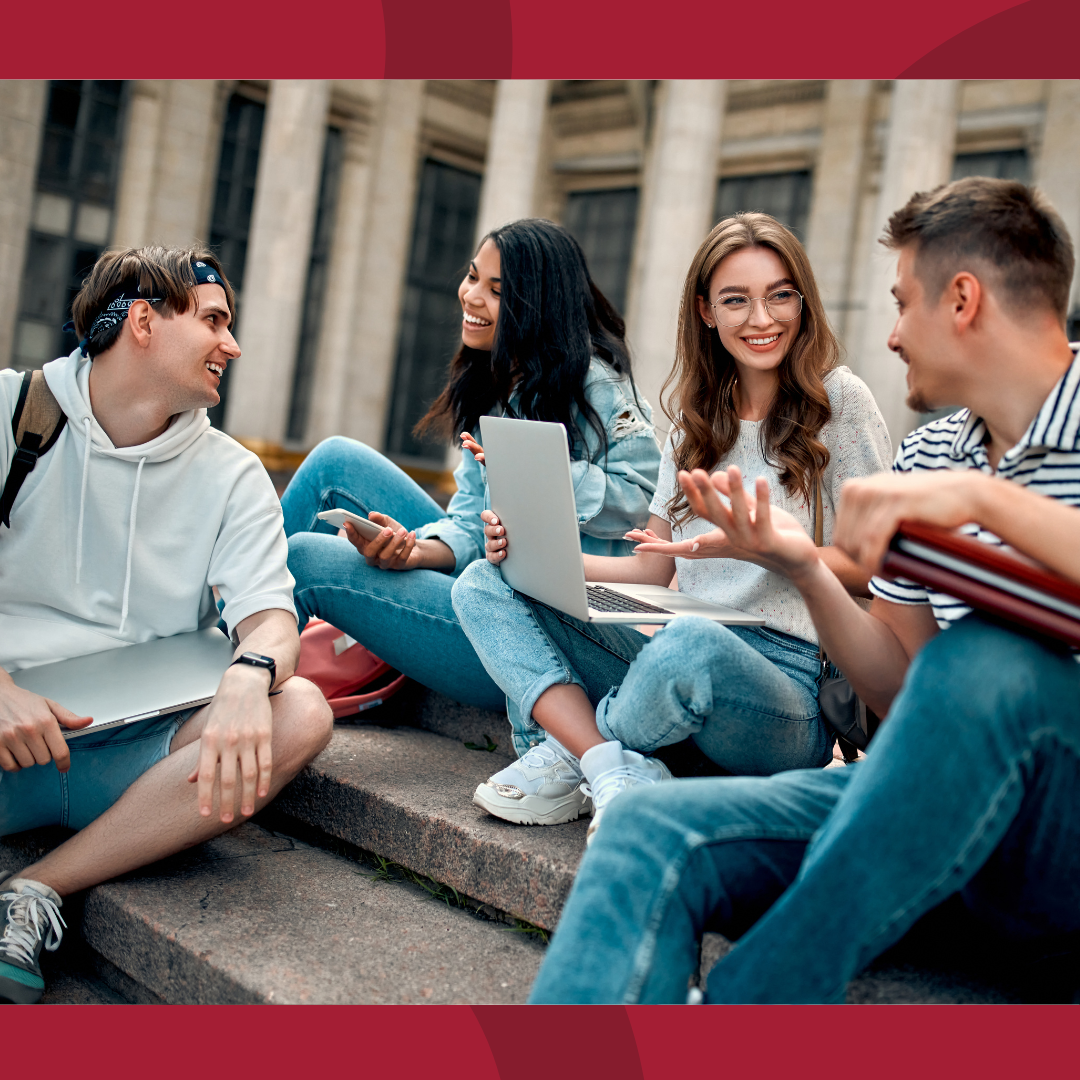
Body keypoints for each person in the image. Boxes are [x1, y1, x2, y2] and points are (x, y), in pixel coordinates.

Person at [527, 176, 1080, 1003]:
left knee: (990, 661)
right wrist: (804, 567)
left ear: (962, 299)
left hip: (1057, 838)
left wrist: (985, 502)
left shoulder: (941, 482)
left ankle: (752, 1002)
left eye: (902, 304)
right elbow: (897, 688)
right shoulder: (931, 458)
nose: (890, 338)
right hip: (925, 808)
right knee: (647, 830)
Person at [453, 213, 891, 838]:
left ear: (803, 301)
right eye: (736, 301)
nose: (761, 319)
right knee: (483, 582)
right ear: (707, 312)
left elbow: (877, 565)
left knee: (690, 644)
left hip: (788, 684)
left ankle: (577, 749)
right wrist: (529, 556)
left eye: (779, 296)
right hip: (674, 643)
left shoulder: (839, 401)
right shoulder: (693, 424)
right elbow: (651, 568)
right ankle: (606, 761)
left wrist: (773, 550)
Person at [0, 247, 333, 1004]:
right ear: (143, 322)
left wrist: (253, 675)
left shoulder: (232, 472)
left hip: (139, 761)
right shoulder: (12, 412)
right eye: (214, 321)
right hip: (9, 738)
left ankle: (34, 890)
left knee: (302, 711)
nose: (233, 345)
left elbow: (271, 619)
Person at [282, 218, 660, 713]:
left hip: (541, 635)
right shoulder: (496, 381)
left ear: (539, 307)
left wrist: (534, 472)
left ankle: (222, 677)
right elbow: (469, 524)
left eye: (497, 290)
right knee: (335, 460)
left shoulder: (598, 386)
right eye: (472, 275)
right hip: (491, 579)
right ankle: (214, 638)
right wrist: (416, 551)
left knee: (306, 559)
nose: (470, 295)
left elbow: (642, 500)